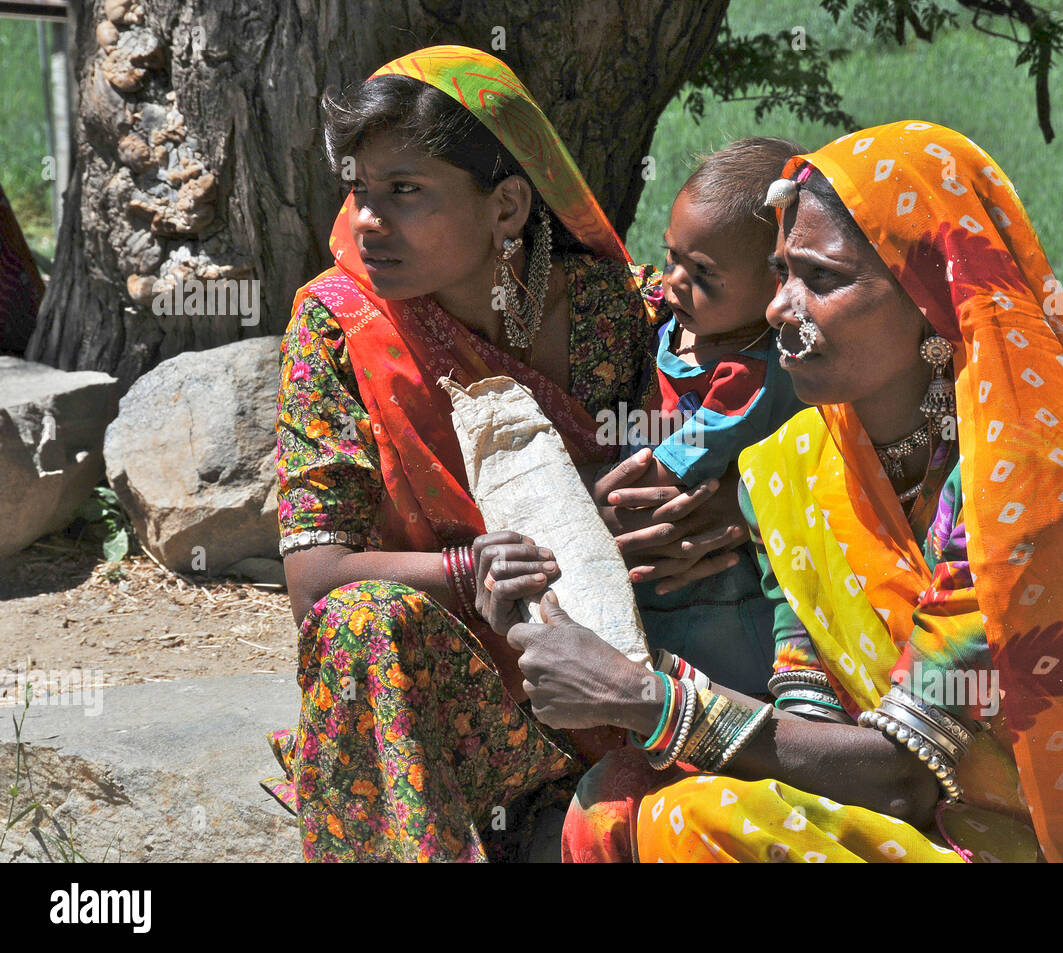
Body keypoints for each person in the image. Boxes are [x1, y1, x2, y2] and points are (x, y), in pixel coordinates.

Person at [483, 120, 1063, 862]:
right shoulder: (794, 463)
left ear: (936, 301)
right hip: (915, 826)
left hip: (1043, 841)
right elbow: (814, 710)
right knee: (625, 805)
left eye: (821, 280)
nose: (778, 309)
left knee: (691, 824)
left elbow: (905, 773)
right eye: (780, 274)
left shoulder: (1028, 490)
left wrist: (644, 696)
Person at [264, 45, 741, 862]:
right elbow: (315, 581)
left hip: (616, 671)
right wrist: (471, 572)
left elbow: (755, 396)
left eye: (405, 191)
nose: (368, 220)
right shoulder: (338, 329)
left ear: (509, 206)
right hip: (451, 690)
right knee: (359, 624)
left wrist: (725, 503)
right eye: (361, 190)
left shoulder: (604, 308)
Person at [628, 137, 808, 694]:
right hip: (669, 562)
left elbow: (672, 470)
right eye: (673, 256)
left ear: (777, 282)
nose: (675, 281)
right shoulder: (678, 323)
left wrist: (585, 498)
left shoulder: (748, 372)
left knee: (716, 689)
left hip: (722, 584)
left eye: (703, 274)